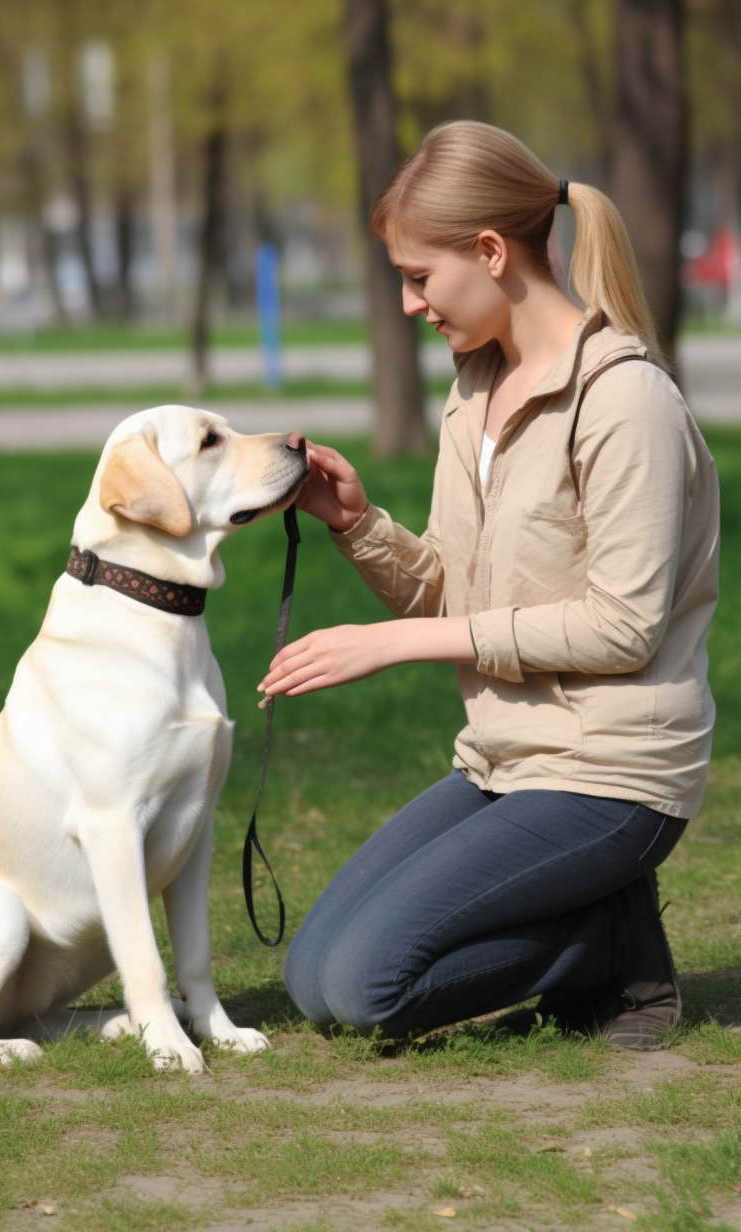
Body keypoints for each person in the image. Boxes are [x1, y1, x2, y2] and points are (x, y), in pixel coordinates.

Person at [258, 120, 720, 1052]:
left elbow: (623, 629)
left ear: (492, 251)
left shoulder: (624, 400)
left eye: (419, 277)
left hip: (611, 776)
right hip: (504, 760)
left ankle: (609, 946)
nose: (406, 304)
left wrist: (387, 645)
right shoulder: (475, 394)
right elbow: (451, 597)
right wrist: (355, 524)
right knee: (312, 977)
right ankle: (593, 930)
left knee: (368, 987)